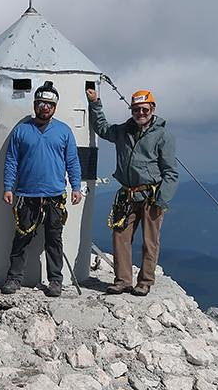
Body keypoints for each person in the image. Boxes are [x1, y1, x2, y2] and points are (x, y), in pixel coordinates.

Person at [86, 88, 179, 296]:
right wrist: (95, 103)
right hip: (127, 194)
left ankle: (145, 281)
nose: (140, 113)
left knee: (150, 241)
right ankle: (123, 281)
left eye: (144, 109)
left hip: (151, 195)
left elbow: (171, 172)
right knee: (120, 236)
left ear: (153, 109)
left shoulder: (163, 136)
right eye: (136, 109)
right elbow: (102, 128)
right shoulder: (122, 131)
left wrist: (161, 199)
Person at [1, 83, 82, 297]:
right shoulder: (21, 130)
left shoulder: (63, 131)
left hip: (54, 196)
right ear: (35, 104)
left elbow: (72, 160)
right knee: (21, 238)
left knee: (54, 240)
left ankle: (55, 280)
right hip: (27, 195)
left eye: (49, 104)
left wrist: (76, 186)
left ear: (55, 107)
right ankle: (14, 278)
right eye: (41, 103)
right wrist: (8, 187)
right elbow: (11, 161)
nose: (45, 107)